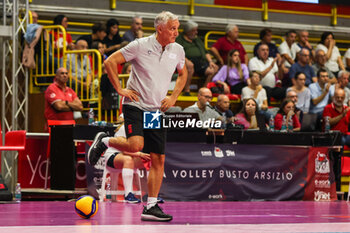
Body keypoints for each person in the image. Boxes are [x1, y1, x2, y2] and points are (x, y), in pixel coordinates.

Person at [88, 11, 187, 222]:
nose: (176, 32)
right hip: (135, 105)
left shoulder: (177, 49)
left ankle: (150, 206)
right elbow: (110, 62)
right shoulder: (140, 45)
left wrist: (174, 97)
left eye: (177, 28)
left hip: (155, 110)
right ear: (160, 28)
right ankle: (104, 140)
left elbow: (183, 73)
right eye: (172, 28)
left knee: (158, 157)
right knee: (135, 146)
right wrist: (120, 89)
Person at [104, 121, 151, 203]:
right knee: (128, 159)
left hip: (131, 155)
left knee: (151, 159)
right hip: (112, 155)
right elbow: (124, 150)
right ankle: (128, 195)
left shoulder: (144, 127)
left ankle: (152, 195)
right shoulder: (125, 128)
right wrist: (139, 154)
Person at [175, 20, 218, 95]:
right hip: (186, 61)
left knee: (213, 69)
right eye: (194, 30)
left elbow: (206, 52)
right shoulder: (179, 39)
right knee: (190, 66)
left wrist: (211, 61)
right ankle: (186, 90)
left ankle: (204, 91)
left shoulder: (197, 39)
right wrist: (186, 60)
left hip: (200, 62)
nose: (196, 32)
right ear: (188, 31)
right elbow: (177, 53)